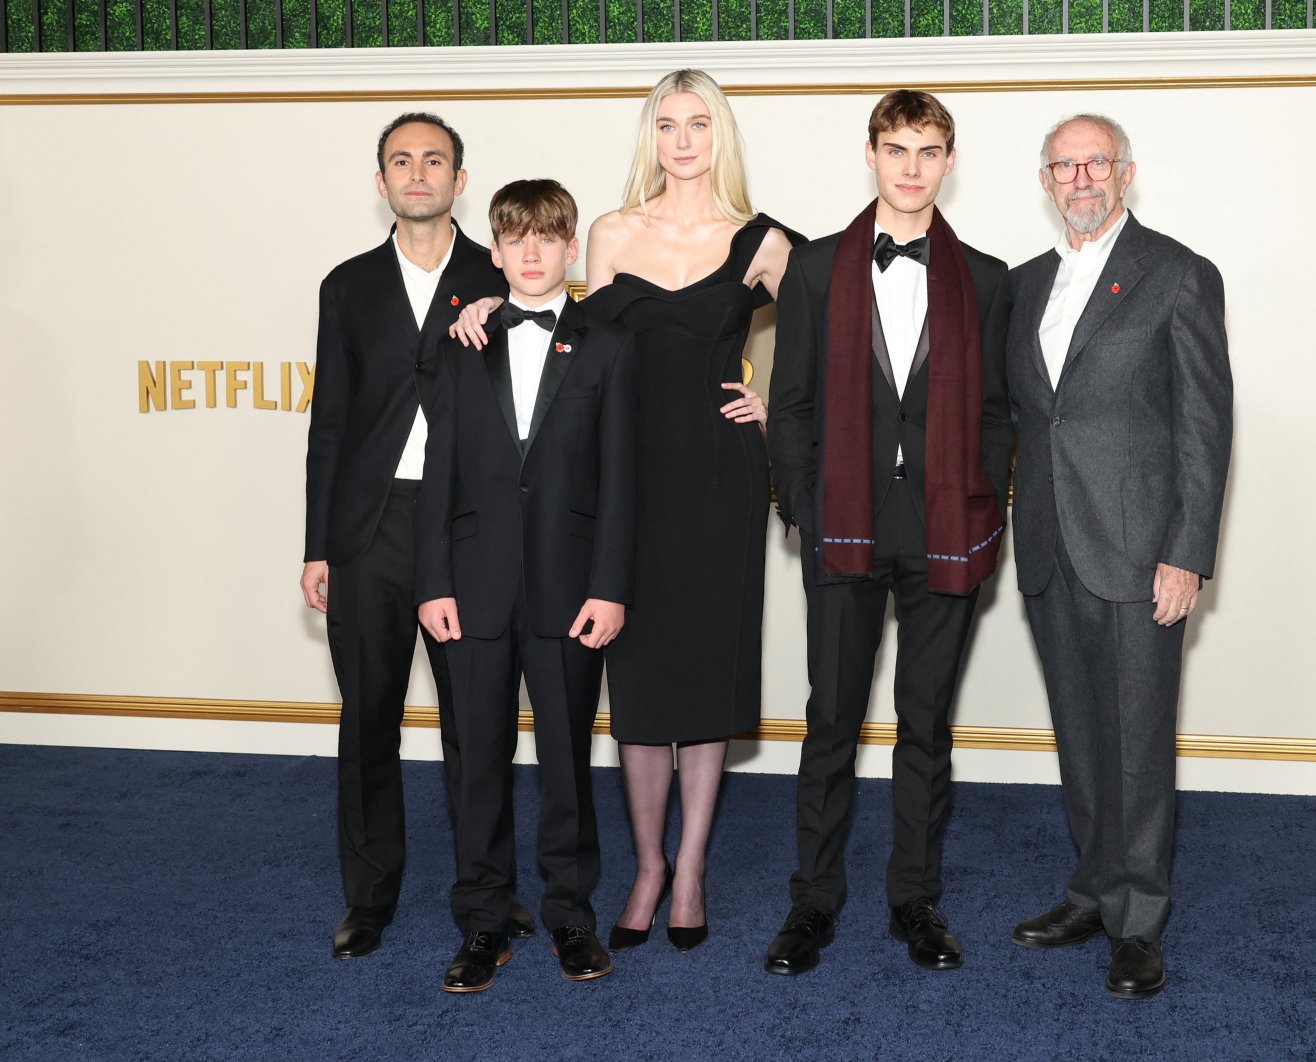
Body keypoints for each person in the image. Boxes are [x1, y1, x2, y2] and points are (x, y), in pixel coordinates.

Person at [453, 69, 798, 953]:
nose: (683, 141)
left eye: (698, 125)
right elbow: (563, 329)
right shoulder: (608, 232)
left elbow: (841, 333)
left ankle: (690, 870)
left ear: (720, 135)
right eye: (667, 125)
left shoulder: (761, 242)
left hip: (719, 484)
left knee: (706, 679)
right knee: (638, 682)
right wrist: (493, 303)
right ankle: (645, 864)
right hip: (624, 483)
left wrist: (779, 405)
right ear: (651, 137)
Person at [763, 90, 1012, 976]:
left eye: (929, 150)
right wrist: (803, 502)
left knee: (926, 725)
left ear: (950, 161)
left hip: (946, 528)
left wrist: (988, 502)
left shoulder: (986, 277)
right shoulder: (815, 266)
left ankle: (915, 902)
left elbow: (997, 414)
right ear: (868, 154)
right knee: (831, 722)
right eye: (896, 148)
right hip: (842, 529)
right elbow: (788, 402)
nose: (911, 167)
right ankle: (812, 904)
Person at [1005, 114, 1232, 999]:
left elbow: (1206, 430)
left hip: (1142, 554)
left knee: (1138, 738)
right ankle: (1093, 890)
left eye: (1095, 161)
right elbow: (1028, 419)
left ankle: (1139, 920)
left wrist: (1187, 552)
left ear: (1126, 172)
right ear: (1046, 181)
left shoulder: (1177, 273)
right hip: (1051, 547)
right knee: (1082, 734)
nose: (1081, 176)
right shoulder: (1025, 287)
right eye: (1064, 165)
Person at [300, 112, 532, 960]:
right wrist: (318, 542)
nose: (418, 173)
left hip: (470, 531)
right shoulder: (347, 286)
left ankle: (492, 890)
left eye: (434, 160)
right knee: (368, 722)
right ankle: (369, 899)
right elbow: (329, 425)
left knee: (480, 724)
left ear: (460, 180)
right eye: (401, 161)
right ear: (382, 182)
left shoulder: (504, 272)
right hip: (367, 533)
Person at [416, 179, 637, 990]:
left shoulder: (606, 344)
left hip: (571, 589)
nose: (533, 252)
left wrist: (610, 587)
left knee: (568, 763)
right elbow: (439, 469)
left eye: (548, 237)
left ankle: (571, 920)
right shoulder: (458, 341)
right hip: (469, 588)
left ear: (572, 246)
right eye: (516, 240)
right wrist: (431, 580)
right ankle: (482, 922)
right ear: (495, 250)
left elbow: (622, 481)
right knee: (476, 759)